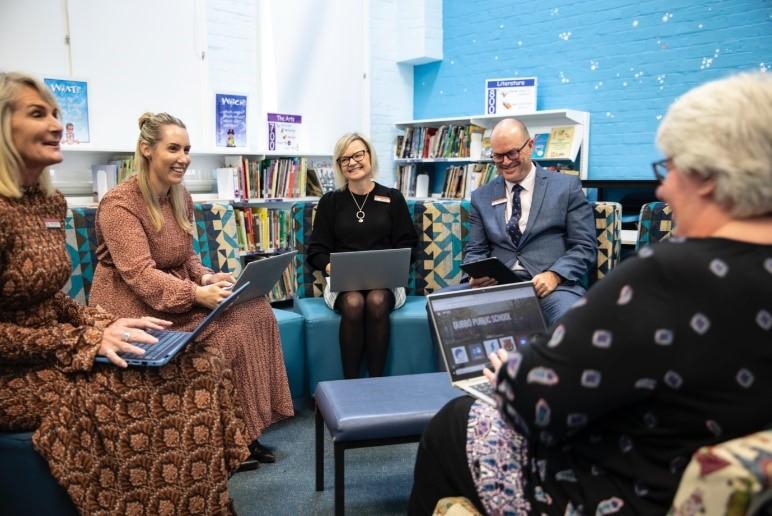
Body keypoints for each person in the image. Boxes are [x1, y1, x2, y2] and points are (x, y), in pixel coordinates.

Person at [409, 72, 772, 515]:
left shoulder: (664, 274)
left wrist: (510, 372)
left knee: (451, 425)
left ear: (710, 178)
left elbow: (538, 402)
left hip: (626, 490)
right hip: (702, 469)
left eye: (670, 168)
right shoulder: (484, 196)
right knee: (447, 305)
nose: (663, 189)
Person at [0, 72, 250, 514]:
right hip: (15, 373)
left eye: (57, 113)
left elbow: (49, 299)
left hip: (61, 348)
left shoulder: (46, 203)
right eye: (38, 114)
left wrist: (99, 324)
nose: (57, 124)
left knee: (200, 364)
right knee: (151, 392)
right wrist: (84, 339)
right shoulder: (115, 203)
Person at [88, 112, 293, 467]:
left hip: (175, 293)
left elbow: (187, 256)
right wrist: (196, 295)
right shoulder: (118, 204)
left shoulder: (180, 197)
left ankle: (246, 432)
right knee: (224, 335)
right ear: (146, 149)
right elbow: (141, 275)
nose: (183, 158)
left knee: (257, 310)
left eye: (187, 149)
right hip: (133, 305)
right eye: (173, 148)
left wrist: (205, 278)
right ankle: (224, 442)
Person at [464, 117, 597, 325]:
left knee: (568, 320)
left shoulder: (566, 187)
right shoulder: (481, 196)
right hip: (496, 286)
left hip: (551, 287)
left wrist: (555, 275)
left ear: (531, 146)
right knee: (437, 306)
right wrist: (475, 273)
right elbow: (475, 249)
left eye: (512, 153)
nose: (506, 162)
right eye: (498, 156)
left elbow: (585, 246)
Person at [306, 133, 418, 378]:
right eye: (344, 159)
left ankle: (376, 383)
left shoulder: (392, 198)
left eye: (358, 154)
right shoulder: (330, 202)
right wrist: (330, 268)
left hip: (387, 284)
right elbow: (315, 251)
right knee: (354, 302)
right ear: (339, 166)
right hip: (343, 284)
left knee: (377, 301)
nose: (352, 162)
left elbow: (409, 245)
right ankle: (351, 383)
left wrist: (396, 266)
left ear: (369, 156)